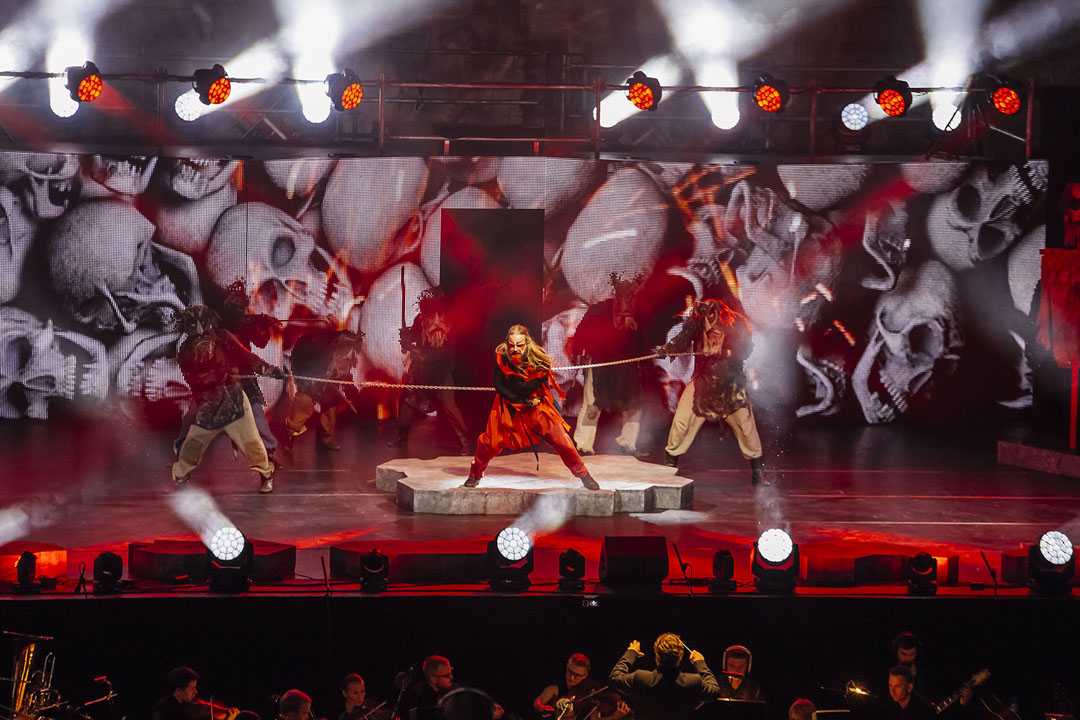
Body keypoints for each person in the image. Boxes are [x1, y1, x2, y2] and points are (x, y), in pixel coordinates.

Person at [463, 324, 599, 490]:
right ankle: (475, 473)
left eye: (519, 345)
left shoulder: (539, 358)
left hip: (536, 406)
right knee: (489, 443)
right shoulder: (502, 356)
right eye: (511, 344)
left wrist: (531, 399)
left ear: (527, 343)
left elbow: (535, 386)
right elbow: (501, 386)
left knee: (561, 439)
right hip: (508, 406)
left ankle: (583, 474)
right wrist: (521, 399)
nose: (514, 349)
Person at [171, 305, 285, 493]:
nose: (200, 332)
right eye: (195, 327)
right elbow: (195, 383)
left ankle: (266, 473)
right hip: (209, 406)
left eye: (203, 326)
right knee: (194, 442)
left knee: (252, 443)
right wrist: (216, 381)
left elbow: (247, 357)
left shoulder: (223, 338)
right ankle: (181, 473)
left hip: (234, 401)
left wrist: (269, 370)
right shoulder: (185, 353)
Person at [655, 297, 766, 485]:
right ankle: (669, 464)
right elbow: (683, 339)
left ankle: (758, 471)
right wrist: (668, 349)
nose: (710, 322)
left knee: (746, 425)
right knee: (682, 421)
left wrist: (727, 353)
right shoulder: (697, 322)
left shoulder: (736, 322)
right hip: (703, 380)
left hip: (730, 383)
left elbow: (746, 348)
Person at [567, 273, 646, 457]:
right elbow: (582, 332)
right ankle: (583, 445)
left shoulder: (638, 311)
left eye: (631, 290)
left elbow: (643, 341)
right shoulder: (600, 309)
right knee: (592, 403)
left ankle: (628, 443)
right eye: (624, 289)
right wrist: (578, 351)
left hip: (626, 364)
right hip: (601, 362)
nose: (628, 294)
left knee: (634, 405)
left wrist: (636, 332)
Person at [391, 289, 470, 455]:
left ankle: (465, 442)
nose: (432, 319)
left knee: (449, 406)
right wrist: (406, 338)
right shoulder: (420, 320)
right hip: (421, 372)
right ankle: (401, 436)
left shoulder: (448, 324)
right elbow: (412, 338)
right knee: (407, 401)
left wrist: (424, 356)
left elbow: (447, 355)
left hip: (442, 372)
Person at [284, 326, 364, 452]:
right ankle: (289, 437)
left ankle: (327, 438)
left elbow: (343, 368)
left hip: (328, 381)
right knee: (303, 406)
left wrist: (338, 379)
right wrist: (310, 380)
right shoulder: (312, 346)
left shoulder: (345, 349)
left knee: (329, 407)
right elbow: (300, 363)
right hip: (311, 379)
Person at [609, 632, 720, 720]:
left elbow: (614, 678)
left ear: (657, 654)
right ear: (680, 656)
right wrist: (700, 663)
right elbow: (714, 691)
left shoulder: (641, 678)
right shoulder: (693, 682)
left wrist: (631, 653)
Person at [397, 656, 504, 720]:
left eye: (451, 673)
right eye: (446, 675)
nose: (451, 677)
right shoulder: (418, 695)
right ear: (433, 678)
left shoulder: (456, 690)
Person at [533, 653, 631, 720]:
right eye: (570, 671)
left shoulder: (590, 694)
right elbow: (537, 703)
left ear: (585, 675)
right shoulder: (554, 689)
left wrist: (615, 717)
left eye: (577, 675)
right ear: (567, 666)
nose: (571, 677)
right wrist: (542, 707)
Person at [152, 667, 238, 720]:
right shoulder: (165, 711)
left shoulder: (186, 706)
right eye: (192, 688)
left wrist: (226, 712)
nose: (196, 691)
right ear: (178, 691)